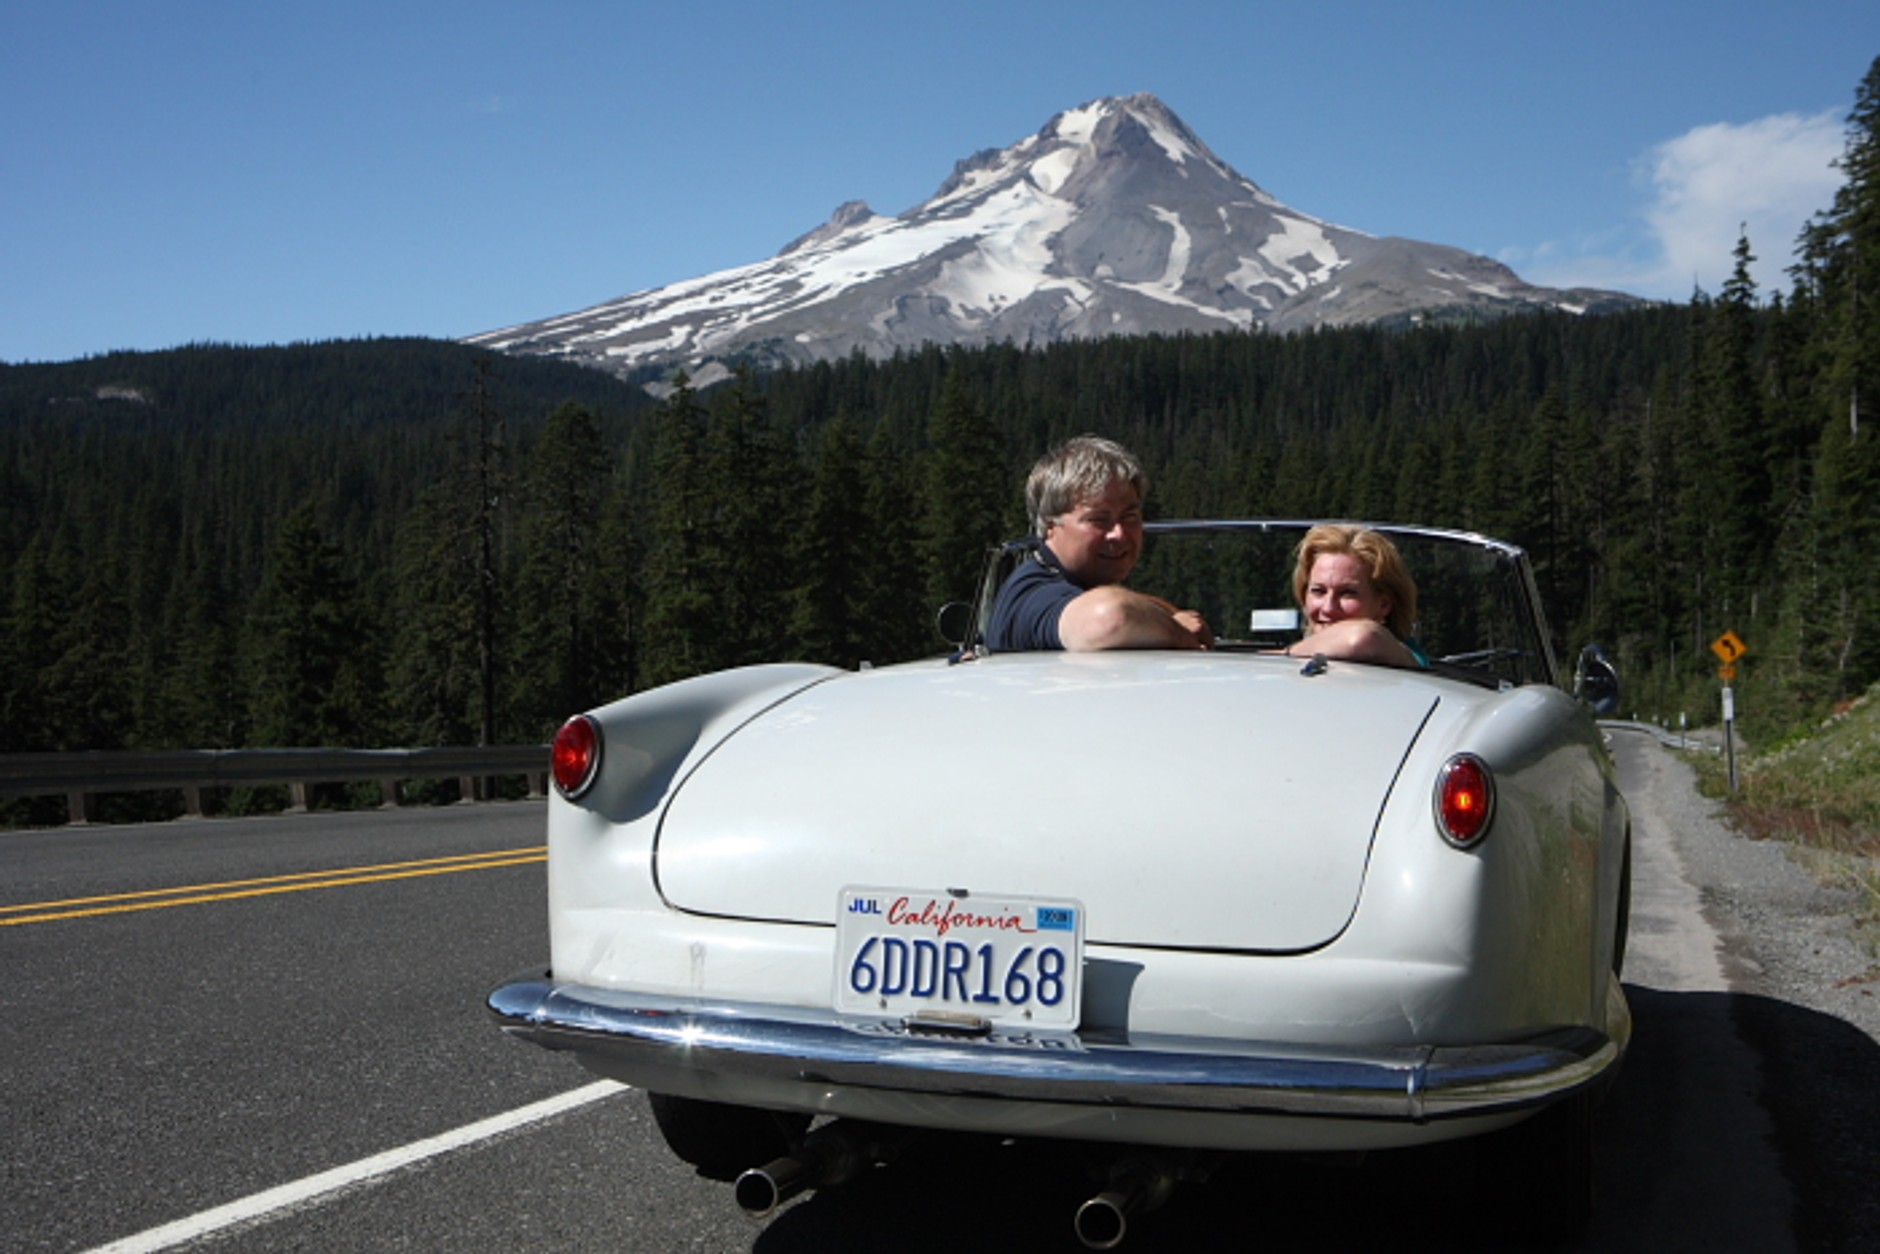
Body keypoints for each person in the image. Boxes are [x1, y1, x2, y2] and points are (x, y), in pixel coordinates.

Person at [986, 436, 1213, 651]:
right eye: (1098, 520)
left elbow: (1120, 600)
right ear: (1050, 526)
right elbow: (1112, 616)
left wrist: (1169, 614)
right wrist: (1179, 633)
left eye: (1130, 516)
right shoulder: (1033, 595)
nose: (1119, 534)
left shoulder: (1072, 584)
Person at [1282, 524, 1427, 668]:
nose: (1328, 608)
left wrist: (1282, 656)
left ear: (1384, 604)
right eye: (1318, 591)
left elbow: (1363, 637)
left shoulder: (1403, 656)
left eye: (1347, 593)